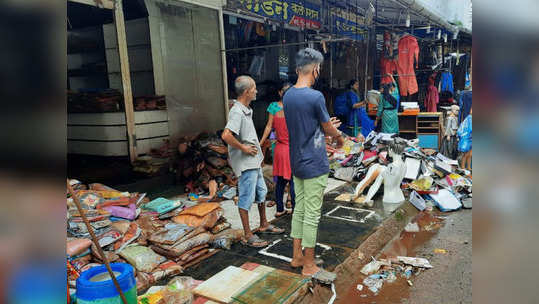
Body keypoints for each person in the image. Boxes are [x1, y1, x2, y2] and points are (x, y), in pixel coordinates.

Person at [283, 48, 344, 279]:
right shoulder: (315, 97)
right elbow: (327, 127)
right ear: (316, 69)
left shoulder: (288, 96)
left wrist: (326, 128)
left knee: (299, 209)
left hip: (297, 161)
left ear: (298, 68)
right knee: (312, 214)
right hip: (314, 163)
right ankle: (309, 264)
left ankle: (297, 255)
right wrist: (337, 136)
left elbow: (309, 126)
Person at [221, 76, 285, 248]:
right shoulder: (237, 111)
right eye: (254, 88)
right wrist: (243, 148)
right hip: (245, 163)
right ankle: (248, 235)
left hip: (253, 161)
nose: (257, 91)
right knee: (246, 198)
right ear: (247, 91)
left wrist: (257, 153)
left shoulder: (245, 109)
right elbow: (226, 135)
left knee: (261, 192)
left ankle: (263, 223)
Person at [259, 82, 295, 217]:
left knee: (280, 182)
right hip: (291, 150)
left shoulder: (275, 109)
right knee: (293, 181)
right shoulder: (294, 111)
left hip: (279, 149)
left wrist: (261, 142)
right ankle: (295, 209)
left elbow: (269, 127)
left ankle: (279, 209)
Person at [458, 108, 472, 172]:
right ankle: (463, 167)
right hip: (467, 138)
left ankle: (468, 167)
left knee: (470, 154)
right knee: (466, 154)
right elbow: (469, 129)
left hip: (470, 138)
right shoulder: (469, 118)